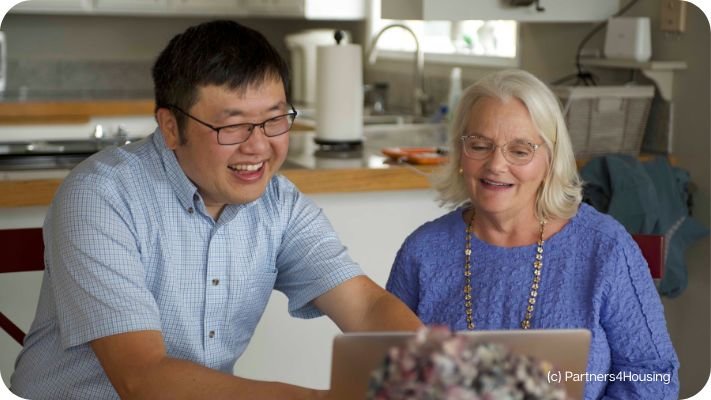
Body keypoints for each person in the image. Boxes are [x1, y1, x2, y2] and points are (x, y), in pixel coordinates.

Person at [11, 20, 421, 399]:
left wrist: (430, 372)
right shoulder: (102, 197)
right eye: (233, 125)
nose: (259, 146)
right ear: (171, 127)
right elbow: (143, 379)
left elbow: (366, 309)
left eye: (275, 120)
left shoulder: (279, 203)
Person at [385, 69, 679, 399]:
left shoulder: (606, 247)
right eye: (480, 145)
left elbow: (655, 374)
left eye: (520, 151)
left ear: (550, 160)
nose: (496, 165)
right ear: (459, 154)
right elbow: (386, 371)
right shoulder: (422, 251)